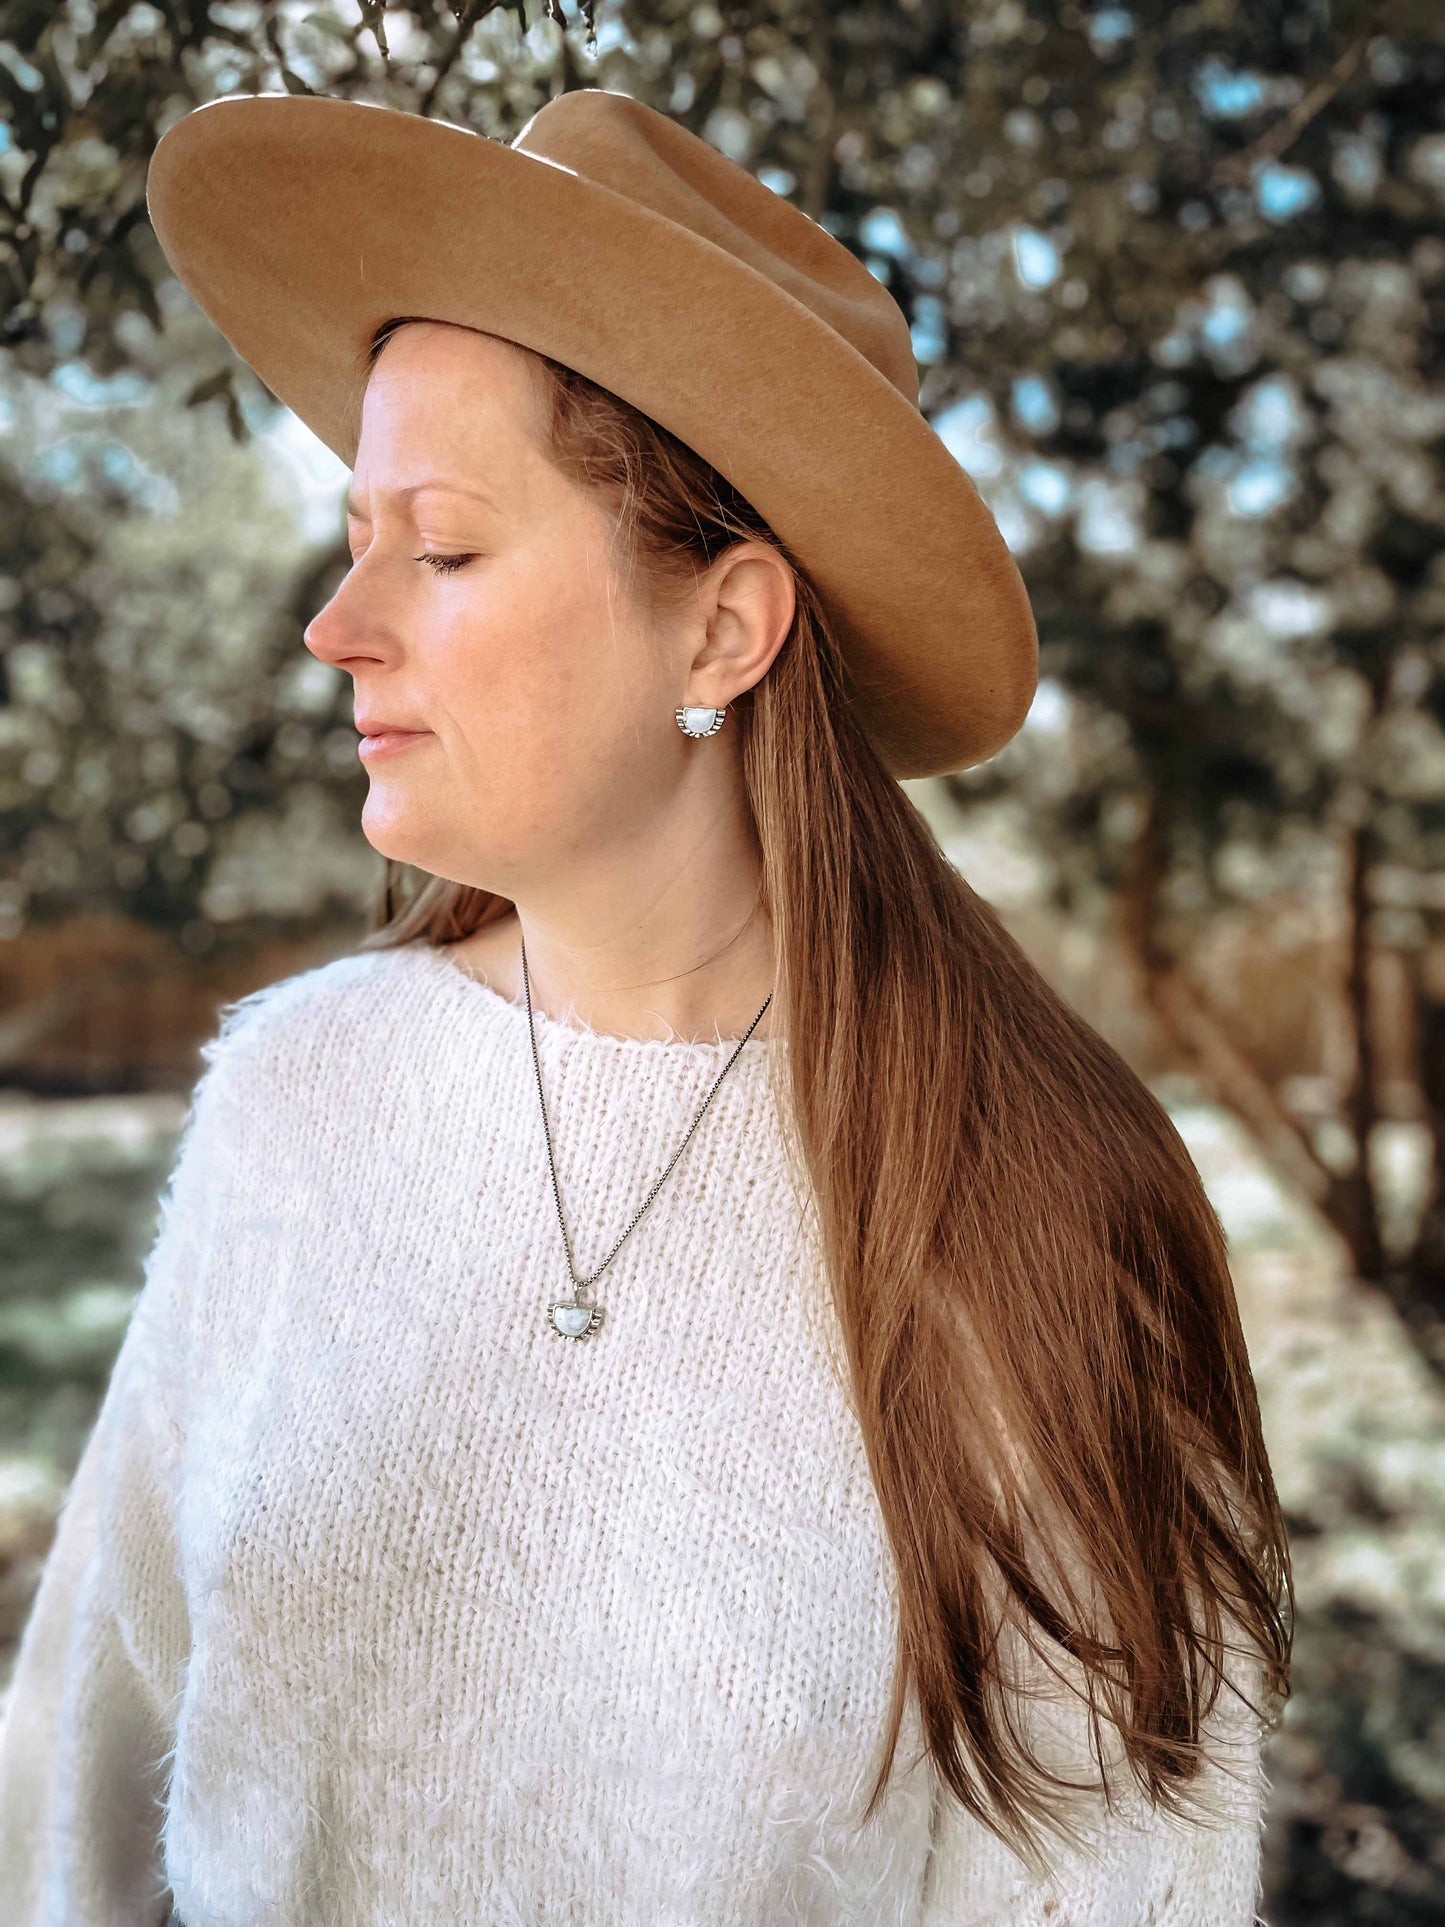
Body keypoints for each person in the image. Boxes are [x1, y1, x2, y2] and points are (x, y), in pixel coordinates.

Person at [0, 87, 1291, 1925]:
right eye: (353, 535)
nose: (335, 624)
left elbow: (1116, 1883)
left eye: (437, 549)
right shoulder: (295, 1100)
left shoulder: (1036, 1221)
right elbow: (79, 1776)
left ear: (721, 631)